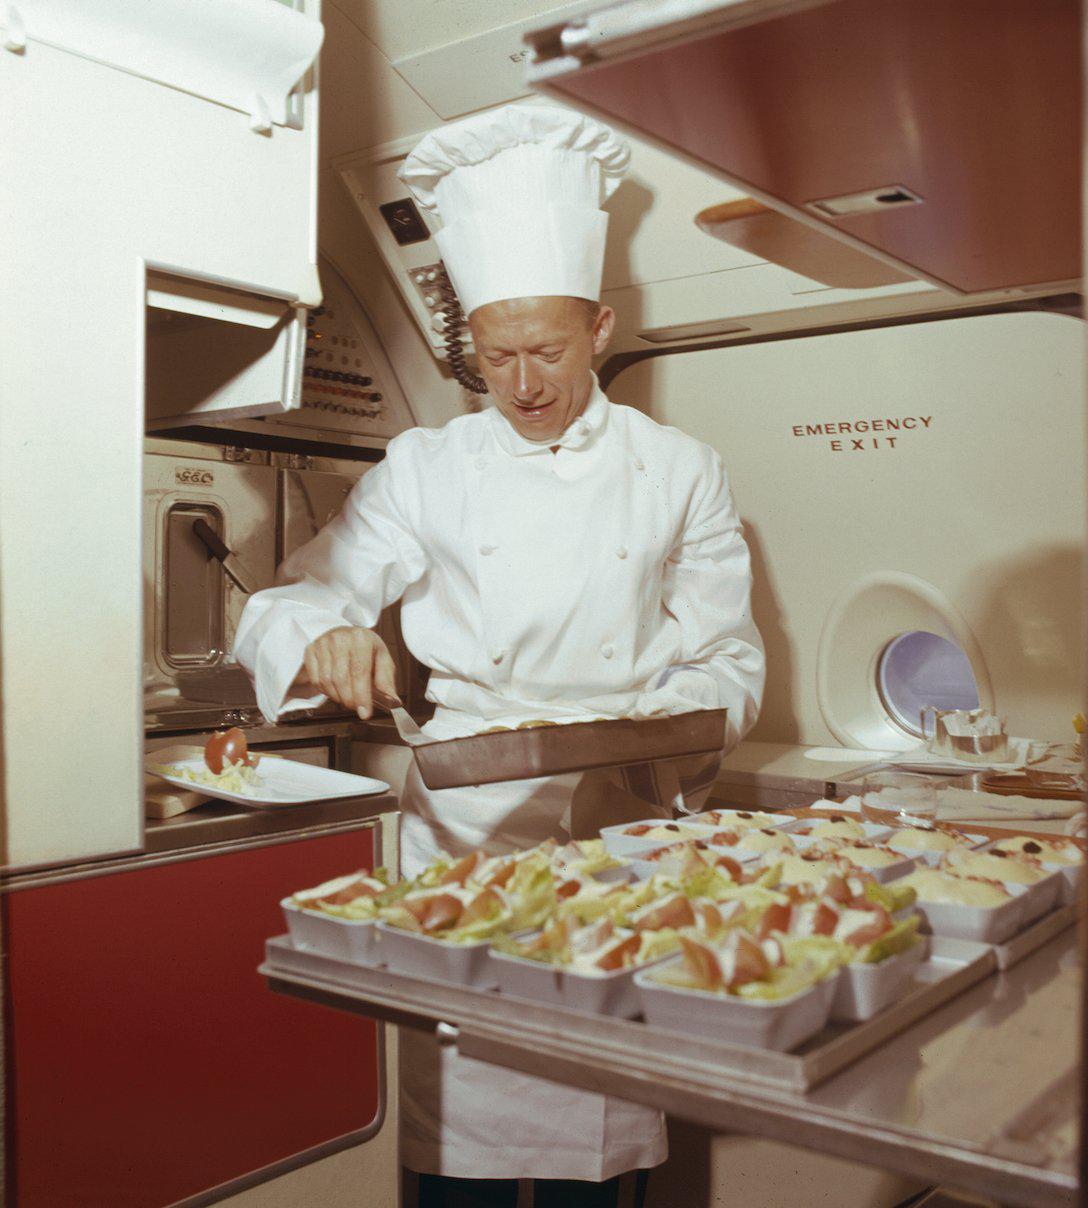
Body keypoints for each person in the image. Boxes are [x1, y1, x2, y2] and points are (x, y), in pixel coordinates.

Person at [233, 104, 764, 1208]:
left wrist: (649, 731)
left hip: (612, 839)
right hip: (460, 850)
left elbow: (727, 663)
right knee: (454, 1168)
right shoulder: (427, 466)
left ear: (602, 327)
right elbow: (289, 595)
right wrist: (324, 632)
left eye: (547, 352)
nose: (520, 384)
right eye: (494, 353)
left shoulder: (682, 471)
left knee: (594, 1171)